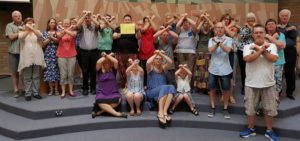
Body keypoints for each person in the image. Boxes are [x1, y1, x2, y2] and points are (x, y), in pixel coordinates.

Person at [240, 24, 280, 141]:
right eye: (256, 32)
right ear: (252, 35)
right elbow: (248, 59)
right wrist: (262, 49)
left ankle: (269, 130)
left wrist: (259, 50)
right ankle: (251, 129)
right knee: (250, 109)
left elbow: (273, 59)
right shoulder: (248, 47)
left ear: (264, 34)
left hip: (268, 83)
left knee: (270, 109)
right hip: (251, 83)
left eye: (261, 32)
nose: (258, 34)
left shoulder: (272, 45)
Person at [207, 22, 233, 119]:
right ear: (214, 29)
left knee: (226, 89)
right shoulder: (211, 39)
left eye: (222, 27)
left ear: (224, 29)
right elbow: (210, 50)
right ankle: (213, 107)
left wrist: (219, 43)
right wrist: (217, 43)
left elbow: (228, 50)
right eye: (218, 27)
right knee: (212, 89)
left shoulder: (229, 39)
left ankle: (225, 108)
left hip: (225, 68)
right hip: (213, 68)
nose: (220, 29)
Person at [146, 50, 176, 128]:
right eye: (157, 58)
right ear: (154, 59)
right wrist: (156, 54)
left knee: (171, 87)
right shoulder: (150, 68)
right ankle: (160, 112)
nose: (158, 60)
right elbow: (148, 62)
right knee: (164, 87)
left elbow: (170, 62)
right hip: (151, 92)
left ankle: (165, 112)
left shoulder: (164, 68)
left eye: (160, 59)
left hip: (163, 91)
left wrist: (162, 55)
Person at [91, 52, 127, 118]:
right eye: (105, 63)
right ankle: (117, 114)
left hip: (113, 92)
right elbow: (98, 62)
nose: (107, 64)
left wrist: (107, 55)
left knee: (118, 100)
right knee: (99, 101)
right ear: (103, 64)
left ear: (110, 64)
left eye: (108, 63)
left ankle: (101, 111)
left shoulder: (113, 70)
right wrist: (107, 56)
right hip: (102, 93)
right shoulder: (99, 71)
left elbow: (116, 61)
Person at [18, 17, 46, 101]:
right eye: (28, 23)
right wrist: (27, 29)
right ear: (25, 24)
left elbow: (40, 36)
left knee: (36, 76)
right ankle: (28, 93)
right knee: (27, 77)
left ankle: (36, 93)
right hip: (26, 57)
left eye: (32, 23)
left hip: (37, 56)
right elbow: (22, 37)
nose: (30, 24)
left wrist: (32, 29)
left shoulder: (36, 32)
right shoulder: (21, 32)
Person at [112, 14, 141, 87]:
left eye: (129, 20)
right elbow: (114, 35)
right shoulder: (118, 28)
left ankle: (131, 84)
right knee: (122, 70)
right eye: (126, 20)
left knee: (132, 68)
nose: (127, 21)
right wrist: (116, 35)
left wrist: (137, 29)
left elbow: (139, 37)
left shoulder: (134, 29)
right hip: (120, 52)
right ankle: (124, 84)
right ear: (123, 21)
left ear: (131, 21)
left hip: (132, 52)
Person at [277, 9, 299, 100]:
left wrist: (283, 30)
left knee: (290, 72)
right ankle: (278, 91)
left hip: (290, 51)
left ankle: (290, 92)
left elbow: (294, 35)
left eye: (286, 15)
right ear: (280, 17)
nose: (284, 17)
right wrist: (287, 30)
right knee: (278, 72)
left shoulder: (295, 26)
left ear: (289, 17)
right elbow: (277, 35)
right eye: (282, 15)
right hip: (279, 51)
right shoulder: (276, 26)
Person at [76, 10, 100, 95]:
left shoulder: (94, 27)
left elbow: (98, 24)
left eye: (88, 18)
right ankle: (85, 88)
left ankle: (93, 88)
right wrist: (85, 15)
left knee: (93, 71)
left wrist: (91, 16)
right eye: (86, 18)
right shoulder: (82, 27)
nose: (87, 19)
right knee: (85, 71)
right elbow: (77, 25)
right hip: (84, 52)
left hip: (94, 52)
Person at [265, 19, 286, 104]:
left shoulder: (281, 34)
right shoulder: (263, 35)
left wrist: (270, 39)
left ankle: (276, 96)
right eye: (268, 24)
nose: (270, 25)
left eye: (272, 24)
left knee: (277, 80)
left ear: (276, 25)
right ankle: (267, 96)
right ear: (266, 26)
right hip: (266, 61)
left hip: (278, 61)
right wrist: (273, 38)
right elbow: (263, 46)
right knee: (267, 79)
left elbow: (281, 45)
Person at [5, 10, 25, 97]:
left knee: (24, 72)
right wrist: (22, 32)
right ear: (13, 17)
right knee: (14, 72)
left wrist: (23, 31)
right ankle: (16, 89)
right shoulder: (9, 25)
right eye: (16, 16)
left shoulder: (26, 24)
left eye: (20, 16)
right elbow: (11, 36)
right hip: (13, 52)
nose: (18, 17)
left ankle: (25, 89)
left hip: (25, 52)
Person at [193, 12, 214, 94]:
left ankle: (208, 88)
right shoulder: (200, 30)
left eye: (207, 23)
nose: (206, 24)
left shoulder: (212, 31)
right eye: (204, 23)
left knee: (208, 71)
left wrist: (208, 19)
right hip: (200, 52)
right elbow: (196, 30)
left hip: (209, 53)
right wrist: (202, 20)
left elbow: (214, 27)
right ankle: (201, 88)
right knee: (200, 71)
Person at [56, 19, 77, 99]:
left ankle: (71, 90)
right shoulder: (58, 31)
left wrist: (63, 29)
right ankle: (63, 91)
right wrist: (65, 29)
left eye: (68, 24)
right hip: (61, 55)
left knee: (71, 73)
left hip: (72, 55)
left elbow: (73, 36)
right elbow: (59, 36)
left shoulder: (74, 31)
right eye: (64, 23)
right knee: (63, 74)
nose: (66, 24)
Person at [237, 12, 256, 95]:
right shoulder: (243, 28)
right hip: (242, 50)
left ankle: (252, 86)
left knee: (252, 69)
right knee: (243, 70)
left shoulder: (257, 27)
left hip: (252, 51)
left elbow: (256, 36)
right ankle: (244, 87)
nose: (250, 20)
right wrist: (248, 28)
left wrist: (251, 28)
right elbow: (242, 38)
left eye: (252, 18)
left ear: (254, 19)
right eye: (249, 18)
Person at [42, 18, 60, 96]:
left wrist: (52, 37)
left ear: (55, 24)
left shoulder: (58, 32)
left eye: (54, 22)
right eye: (51, 22)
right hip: (48, 54)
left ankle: (56, 89)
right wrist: (50, 37)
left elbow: (58, 41)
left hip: (57, 53)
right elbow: (43, 44)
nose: (52, 24)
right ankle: (51, 89)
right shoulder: (44, 32)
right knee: (48, 72)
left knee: (56, 71)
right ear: (48, 24)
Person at [139, 15, 158, 87]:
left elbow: (156, 29)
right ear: (144, 23)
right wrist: (151, 19)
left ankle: (152, 84)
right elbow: (143, 30)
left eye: (149, 21)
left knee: (152, 69)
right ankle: (144, 85)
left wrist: (150, 20)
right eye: (146, 21)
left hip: (151, 51)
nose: (148, 23)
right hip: (143, 52)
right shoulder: (142, 28)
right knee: (144, 69)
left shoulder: (151, 30)